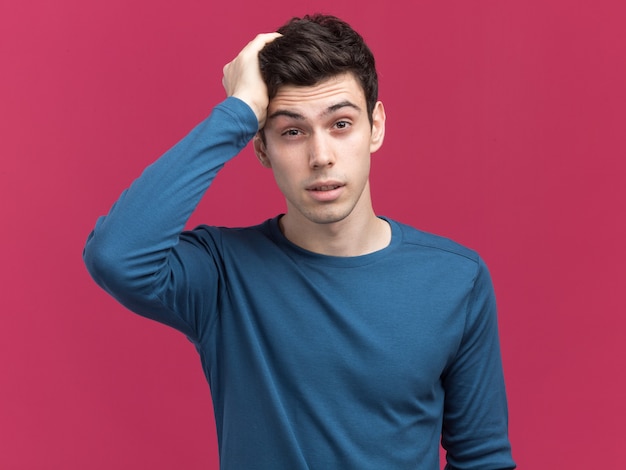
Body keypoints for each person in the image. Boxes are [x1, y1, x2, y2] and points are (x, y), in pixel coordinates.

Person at [83, 14, 515, 470]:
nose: (320, 156)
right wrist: (239, 110)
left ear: (376, 126)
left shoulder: (455, 280)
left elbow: (482, 459)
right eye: (292, 131)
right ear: (261, 147)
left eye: (341, 124)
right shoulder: (223, 275)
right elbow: (116, 255)